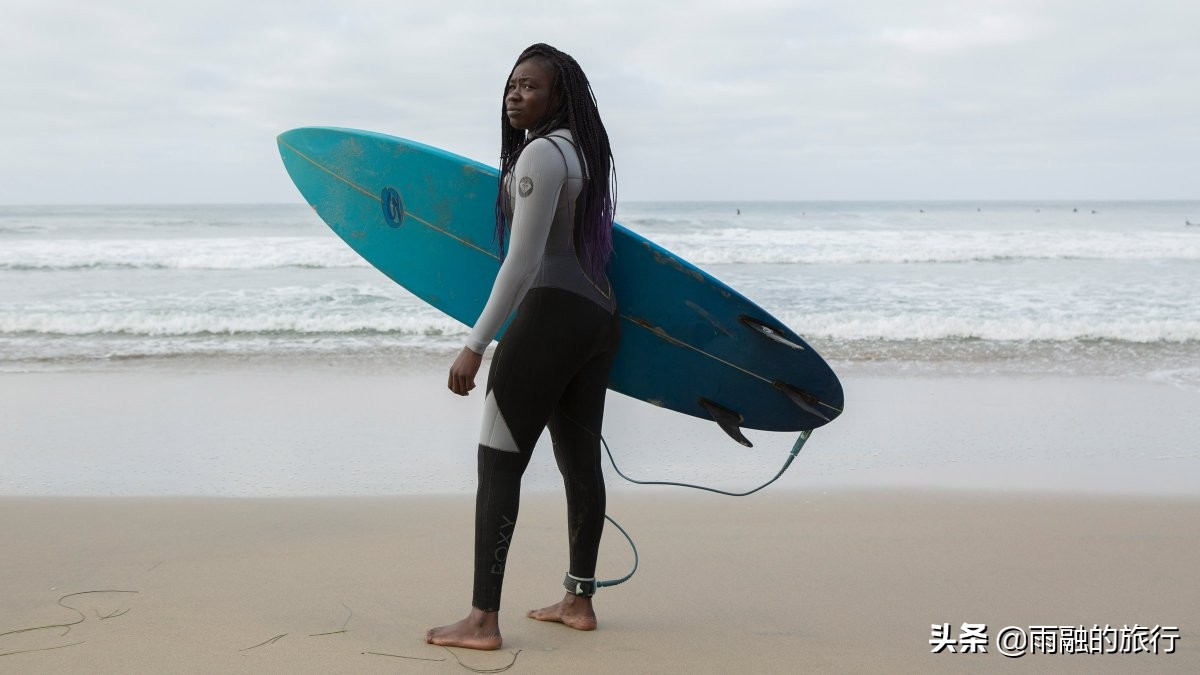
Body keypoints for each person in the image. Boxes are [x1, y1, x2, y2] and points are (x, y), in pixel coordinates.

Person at [425, 43, 620, 651]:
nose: (515, 94)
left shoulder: (540, 153)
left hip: (549, 318)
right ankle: (578, 599)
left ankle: (483, 621)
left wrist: (475, 345)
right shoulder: (577, 152)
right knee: (578, 460)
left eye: (530, 86)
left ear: (558, 95)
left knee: (497, 463)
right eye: (511, 85)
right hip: (597, 315)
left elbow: (522, 261)